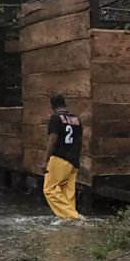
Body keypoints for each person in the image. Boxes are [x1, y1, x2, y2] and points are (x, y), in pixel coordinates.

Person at [41, 93, 84, 221]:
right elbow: (80, 140)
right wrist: (76, 159)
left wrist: (45, 160)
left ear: (52, 106)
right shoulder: (76, 119)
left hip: (59, 158)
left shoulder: (55, 118)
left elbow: (53, 140)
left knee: (49, 189)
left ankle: (74, 217)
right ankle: (69, 222)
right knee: (67, 193)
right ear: (65, 104)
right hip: (73, 160)